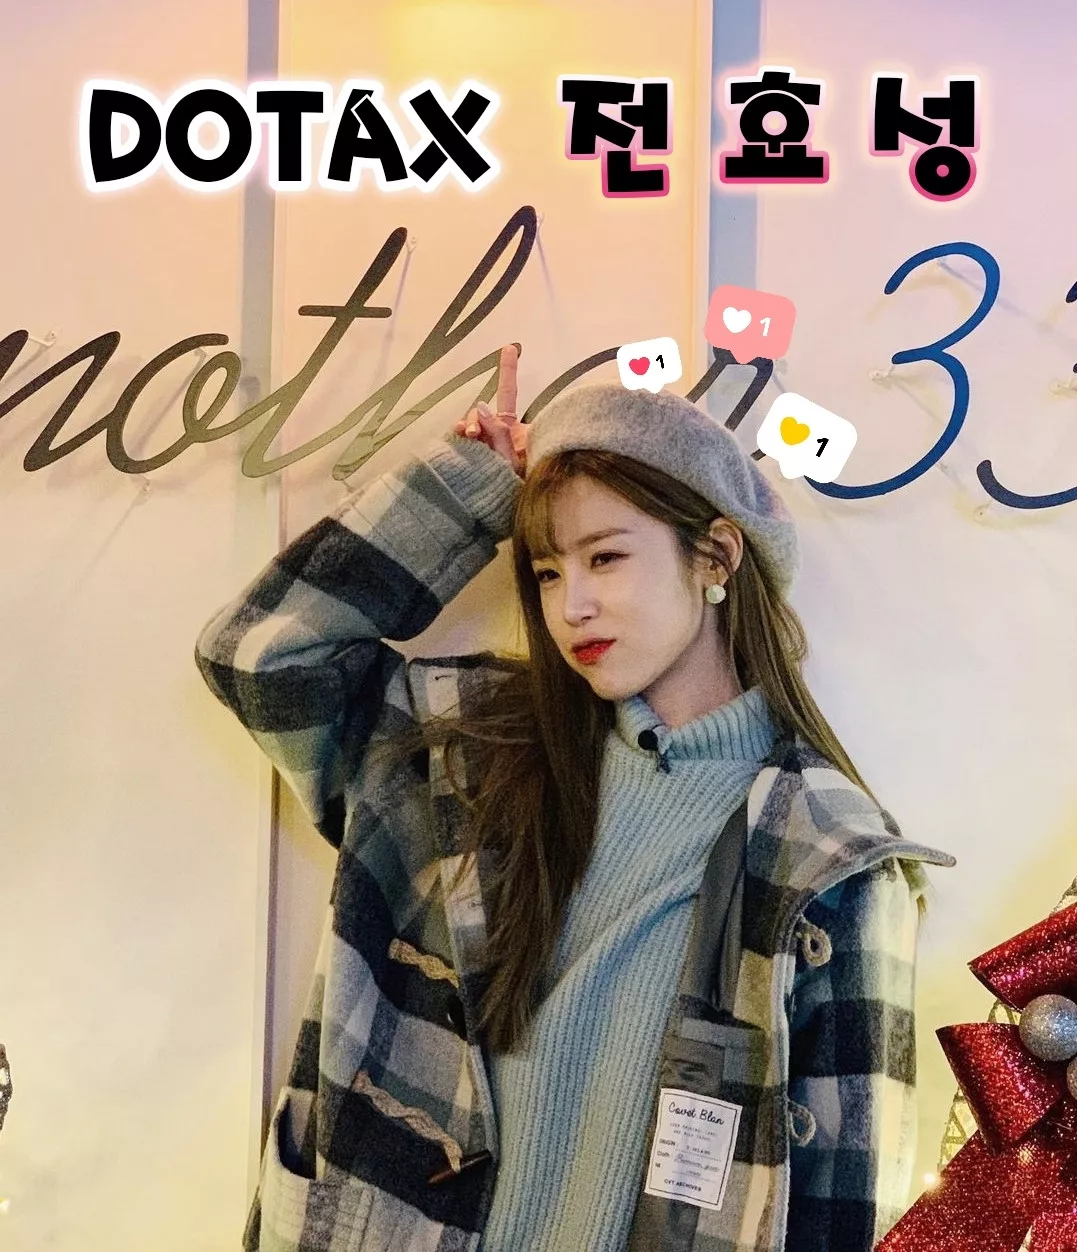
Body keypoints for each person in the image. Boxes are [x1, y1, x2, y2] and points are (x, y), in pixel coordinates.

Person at [194, 344, 955, 1252]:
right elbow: (260, 657)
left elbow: (841, 1214)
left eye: (605, 557)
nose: (571, 607)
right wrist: (466, 493)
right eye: (549, 571)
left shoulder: (830, 863)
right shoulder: (465, 750)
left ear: (715, 556)